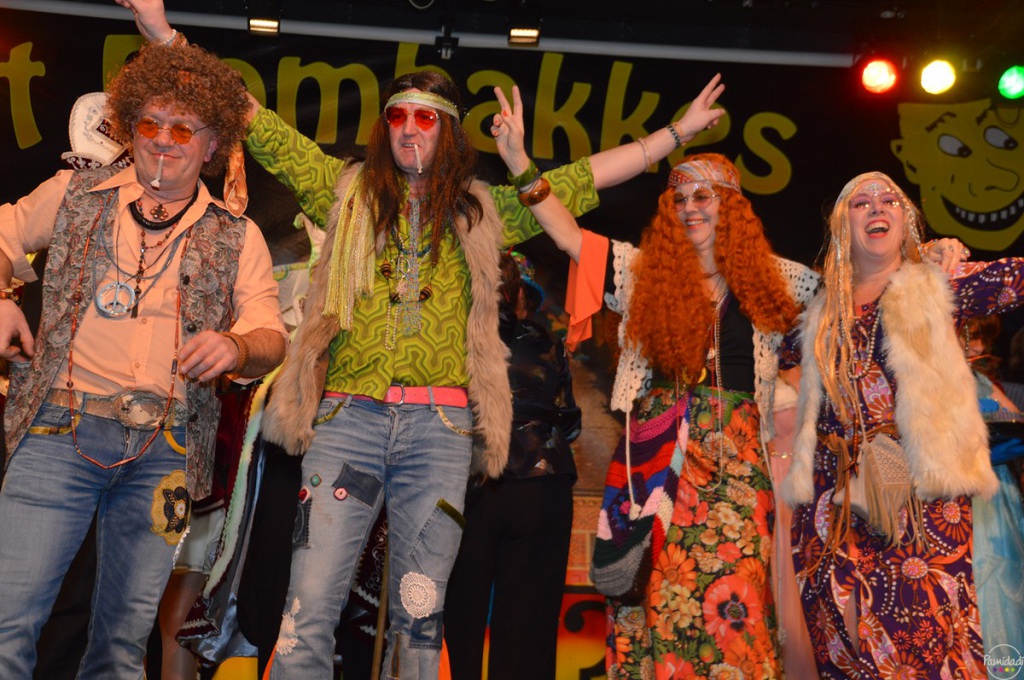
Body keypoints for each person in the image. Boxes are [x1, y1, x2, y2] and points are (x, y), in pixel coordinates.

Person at [118, 2, 727, 677]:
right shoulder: (341, 192)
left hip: (440, 434)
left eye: (426, 118)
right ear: (385, 128)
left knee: (420, 615)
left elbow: (587, 177)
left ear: (449, 131)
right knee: (307, 609)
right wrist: (163, 35)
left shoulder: (483, 212)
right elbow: (252, 117)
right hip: (348, 423)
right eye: (398, 116)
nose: (409, 128)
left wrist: (677, 132)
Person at [0, 39, 287, 678]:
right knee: (8, 623)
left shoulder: (237, 235)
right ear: (131, 126)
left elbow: (271, 334)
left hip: (165, 450)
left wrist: (237, 345)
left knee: (122, 647)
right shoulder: (75, 194)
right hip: (58, 431)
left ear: (211, 146)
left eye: (183, 129)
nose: (163, 140)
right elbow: (4, 233)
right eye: (151, 123)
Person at [547, 152, 818, 678]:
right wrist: (521, 167)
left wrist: (928, 257)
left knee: (736, 599)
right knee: (652, 592)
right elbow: (567, 235)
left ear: (731, 206)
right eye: (678, 200)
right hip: (654, 456)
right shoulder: (643, 274)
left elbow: (855, 291)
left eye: (702, 196)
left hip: (737, 465)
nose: (689, 208)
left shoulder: (781, 278)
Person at [779, 172, 1018, 679]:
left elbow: (1013, 277)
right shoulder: (818, 310)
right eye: (860, 202)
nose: (875, 207)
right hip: (831, 502)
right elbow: (762, 354)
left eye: (888, 199)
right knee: (839, 644)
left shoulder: (934, 284)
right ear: (842, 224)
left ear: (905, 219)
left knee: (919, 641)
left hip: (917, 500)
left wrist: (936, 254)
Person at [442, 251, 581, 680]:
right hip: (541, 481)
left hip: (470, 480)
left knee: (455, 613)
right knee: (528, 624)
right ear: (523, 297)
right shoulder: (549, 343)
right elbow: (569, 419)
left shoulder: (456, 335)